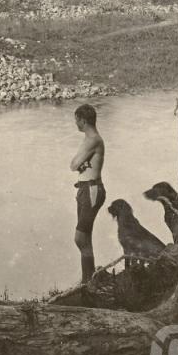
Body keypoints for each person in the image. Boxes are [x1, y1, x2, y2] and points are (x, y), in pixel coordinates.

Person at [69, 104, 106, 284]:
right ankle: (89, 280)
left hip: (92, 189)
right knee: (86, 238)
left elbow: (74, 165)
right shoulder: (88, 139)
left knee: (80, 238)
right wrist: (78, 163)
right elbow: (74, 164)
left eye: (76, 119)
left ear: (83, 120)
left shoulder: (93, 140)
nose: (75, 123)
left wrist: (79, 164)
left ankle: (87, 281)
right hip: (85, 189)